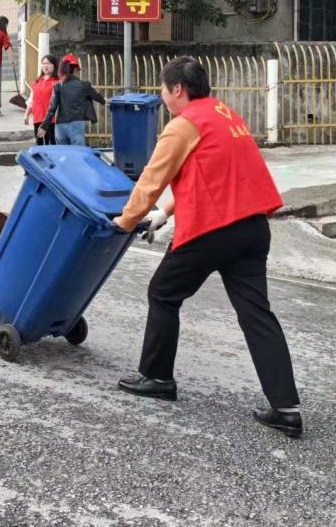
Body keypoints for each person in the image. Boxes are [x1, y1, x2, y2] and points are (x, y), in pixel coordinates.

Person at [111, 57, 302, 437]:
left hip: (213, 230)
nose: (162, 96)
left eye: (163, 89)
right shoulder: (225, 115)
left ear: (177, 89)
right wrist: (164, 215)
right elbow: (209, 176)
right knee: (256, 314)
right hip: (252, 228)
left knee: (163, 294)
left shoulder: (182, 126)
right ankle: (287, 407)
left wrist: (125, 221)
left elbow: (151, 179)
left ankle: (157, 378)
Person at [37, 54, 105, 146]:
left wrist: (43, 126)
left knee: (63, 156)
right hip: (76, 125)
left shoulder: (58, 86)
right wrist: (106, 101)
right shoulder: (84, 85)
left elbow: (52, 108)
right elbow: (98, 97)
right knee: (77, 155)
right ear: (75, 70)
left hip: (60, 126)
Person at [23, 54, 59, 146]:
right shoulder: (36, 82)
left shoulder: (57, 82)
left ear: (54, 65)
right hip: (38, 117)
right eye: (43, 63)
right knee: (39, 144)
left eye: (48, 63)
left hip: (52, 120)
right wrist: (26, 114)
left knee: (51, 145)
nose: (45, 66)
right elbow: (31, 100)